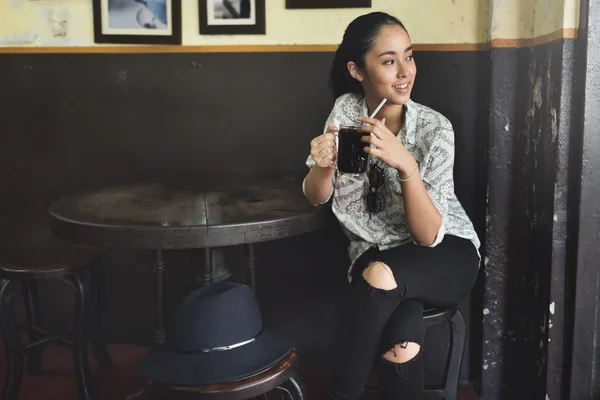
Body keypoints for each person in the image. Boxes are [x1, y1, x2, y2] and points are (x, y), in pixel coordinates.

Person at [303, 12, 481, 400]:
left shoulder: (435, 128)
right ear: (357, 70)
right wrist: (322, 166)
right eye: (388, 61)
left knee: (383, 276)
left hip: (445, 251)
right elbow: (317, 196)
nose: (405, 72)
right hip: (375, 255)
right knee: (402, 342)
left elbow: (427, 235)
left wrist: (406, 165)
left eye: (410, 57)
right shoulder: (347, 112)